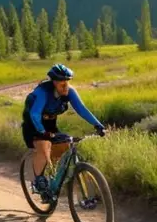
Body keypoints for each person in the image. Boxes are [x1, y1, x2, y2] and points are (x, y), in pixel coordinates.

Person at [22, 64, 105, 194]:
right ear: (54, 83)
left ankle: (54, 179)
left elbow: (82, 109)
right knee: (44, 146)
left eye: (67, 82)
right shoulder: (43, 92)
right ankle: (38, 181)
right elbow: (34, 114)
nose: (66, 86)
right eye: (62, 84)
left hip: (50, 123)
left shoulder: (69, 91)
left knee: (64, 145)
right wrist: (43, 132)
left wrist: (98, 125)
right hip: (33, 124)